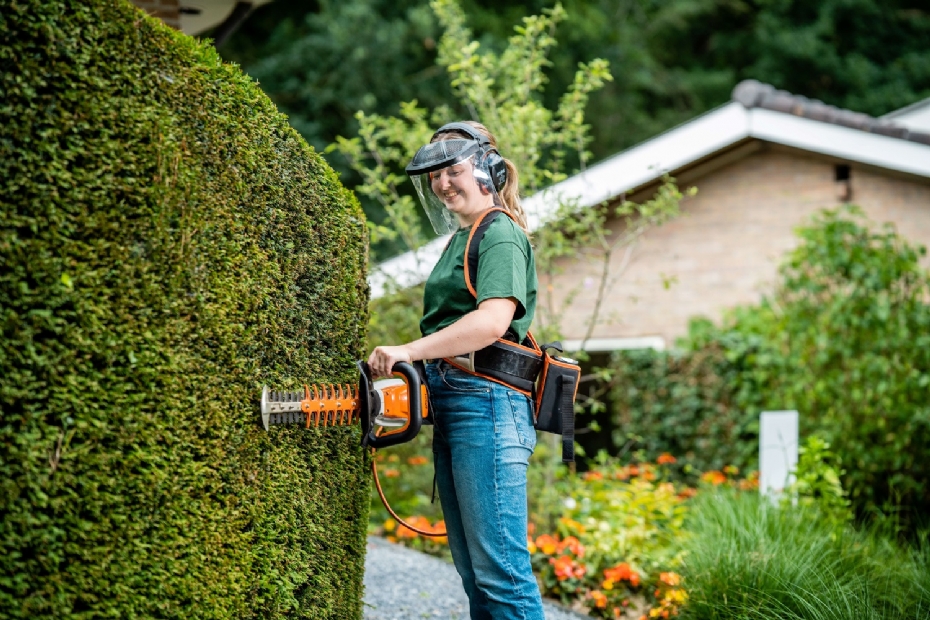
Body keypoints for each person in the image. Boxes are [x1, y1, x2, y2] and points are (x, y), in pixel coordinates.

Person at [367, 120, 544, 620]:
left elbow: (491, 323)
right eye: (435, 176)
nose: (442, 184)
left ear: (487, 170)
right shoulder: (462, 238)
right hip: (459, 405)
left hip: (487, 406)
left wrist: (409, 349)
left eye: (453, 170)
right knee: (476, 575)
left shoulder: (500, 233)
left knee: (502, 577)